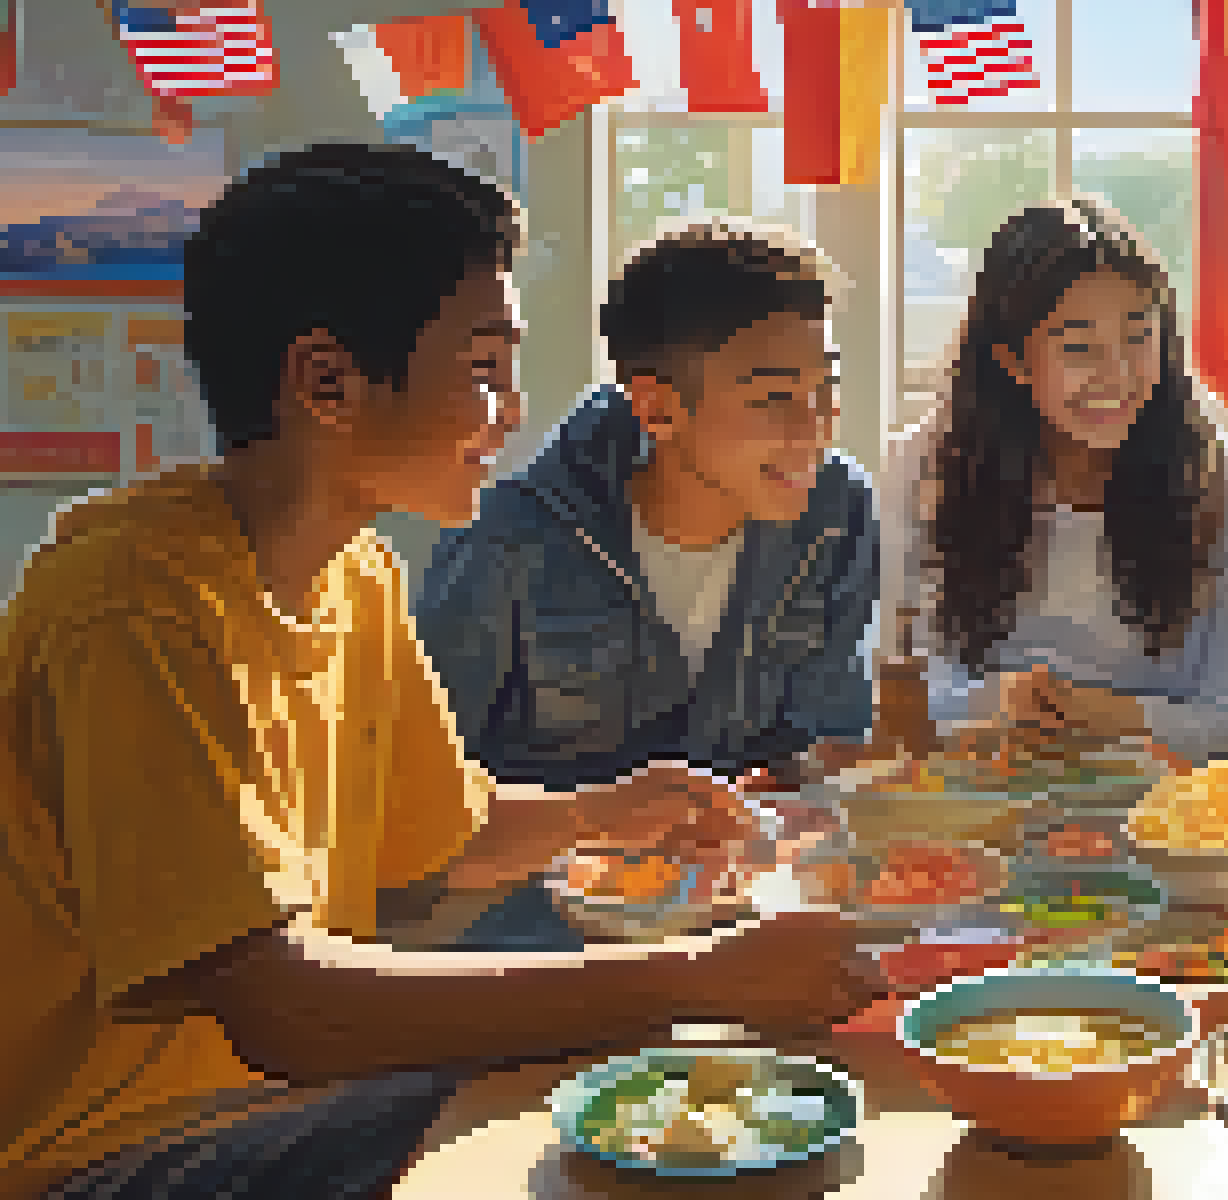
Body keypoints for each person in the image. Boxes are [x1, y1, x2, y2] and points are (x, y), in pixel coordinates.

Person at [0, 144, 875, 1200]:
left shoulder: (355, 575)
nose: (511, 412)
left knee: (667, 1099)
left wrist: (606, 811)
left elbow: (441, 837)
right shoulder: (132, 608)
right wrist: (691, 976)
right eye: (483, 369)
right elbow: (284, 1007)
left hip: (279, 1103)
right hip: (116, 1151)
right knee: (625, 1102)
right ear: (327, 381)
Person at [415, 221, 876, 951]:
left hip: (740, 918)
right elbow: (414, 818)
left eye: (827, 389)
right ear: (658, 408)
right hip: (539, 942)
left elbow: (821, 742)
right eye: (773, 399)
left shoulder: (836, 511)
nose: (814, 428)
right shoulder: (507, 541)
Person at [881, 199, 1228, 765]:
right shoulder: (925, 467)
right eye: (1078, 347)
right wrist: (998, 705)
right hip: (971, 801)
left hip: (1158, 815)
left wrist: (1097, 713)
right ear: (1011, 361)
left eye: (1139, 337)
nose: (1117, 376)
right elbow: (903, 693)